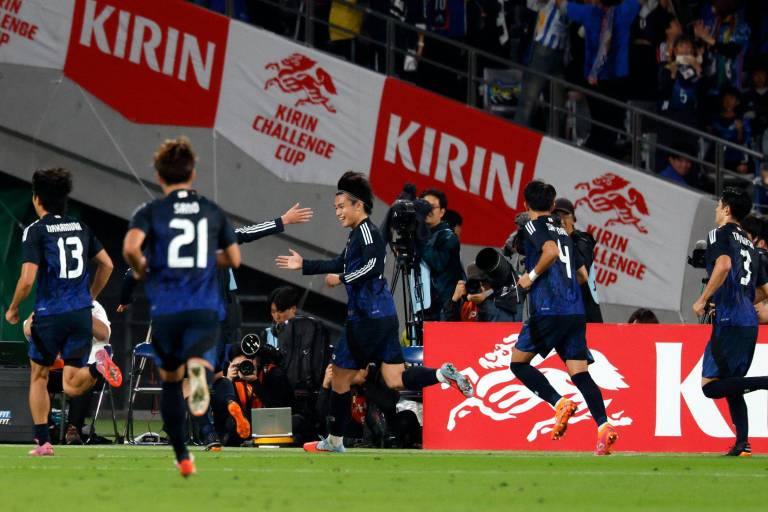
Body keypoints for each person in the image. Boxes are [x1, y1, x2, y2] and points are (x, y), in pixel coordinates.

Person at [276, 171, 473, 453]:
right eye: (335, 208)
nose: (338, 213)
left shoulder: (368, 234)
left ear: (359, 205)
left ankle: (333, 441)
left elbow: (372, 269)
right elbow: (341, 262)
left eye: (342, 206)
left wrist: (345, 278)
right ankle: (443, 374)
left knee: (339, 377)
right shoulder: (359, 234)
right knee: (395, 378)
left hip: (366, 318)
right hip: (382, 318)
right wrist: (304, 264)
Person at [122, 137, 241, 477]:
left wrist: (146, 267)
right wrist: (203, 258)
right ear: (192, 172)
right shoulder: (211, 209)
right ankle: (201, 374)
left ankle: (183, 456)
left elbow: (130, 249)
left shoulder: (149, 212)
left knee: (171, 383)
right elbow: (234, 258)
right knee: (199, 362)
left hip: (167, 311)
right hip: (204, 309)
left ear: (159, 176)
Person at [4, 168, 120, 456]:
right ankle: (97, 367)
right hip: (80, 314)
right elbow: (107, 265)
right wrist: (88, 298)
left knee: (39, 376)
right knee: (72, 384)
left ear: (37, 199)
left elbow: (28, 279)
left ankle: (43, 443)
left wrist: (14, 307)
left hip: (50, 314)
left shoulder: (36, 230)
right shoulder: (81, 228)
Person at [510, 180, 618, 455]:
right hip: (574, 311)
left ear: (525, 204)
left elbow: (549, 252)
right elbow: (582, 275)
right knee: (580, 374)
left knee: (518, 364)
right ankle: (604, 427)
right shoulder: (564, 232)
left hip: (549, 309)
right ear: (553, 203)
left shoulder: (532, 226)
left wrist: (530, 278)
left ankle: (559, 403)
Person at [692, 187, 768, 456]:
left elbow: (723, 266)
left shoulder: (719, 234)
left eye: (718, 205)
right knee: (733, 382)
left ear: (726, 209)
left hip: (730, 319)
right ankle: (743, 443)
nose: (716, 210)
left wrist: (704, 298)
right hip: (747, 319)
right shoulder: (749, 243)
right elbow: (764, 290)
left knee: (710, 387)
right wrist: (743, 298)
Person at [23, 300, 114, 445]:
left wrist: (79, 314)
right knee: (37, 377)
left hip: (82, 367)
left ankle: (73, 430)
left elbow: (104, 334)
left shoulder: (93, 306)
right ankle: (49, 427)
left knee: (81, 377)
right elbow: (28, 330)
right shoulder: (48, 303)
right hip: (56, 370)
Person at [212, 342, 295, 446]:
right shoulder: (229, 381)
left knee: (296, 421)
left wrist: (255, 382)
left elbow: (278, 410)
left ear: (257, 361)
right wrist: (229, 382)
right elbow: (225, 416)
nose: (244, 368)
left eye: (247, 363)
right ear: (230, 364)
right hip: (243, 428)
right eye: (238, 366)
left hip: (271, 424)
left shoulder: (270, 374)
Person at [514, 0, 569, 128]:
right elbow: (532, 4)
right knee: (528, 101)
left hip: (562, 52)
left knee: (558, 106)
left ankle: (554, 145)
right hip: (544, 48)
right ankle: (516, 140)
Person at [552, 197, 603, 322]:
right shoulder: (549, 243)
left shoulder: (583, 239)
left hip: (586, 315)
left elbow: (581, 271)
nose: (562, 220)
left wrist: (564, 238)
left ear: (574, 219)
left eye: (566, 215)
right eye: (557, 216)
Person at [419, 188, 465, 321]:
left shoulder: (449, 236)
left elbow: (438, 263)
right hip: (423, 304)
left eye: (432, 207)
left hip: (444, 309)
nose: (427, 211)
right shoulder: (421, 235)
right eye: (424, 206)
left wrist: (420, 240)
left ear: (442, 212)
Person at [441, 263, 517, 322]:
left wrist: (486, 298)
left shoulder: (499, 300)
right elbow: (449, 329)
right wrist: (454, 300)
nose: (480, 287)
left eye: (483, 282)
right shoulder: (465, 303)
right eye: (475, 283)